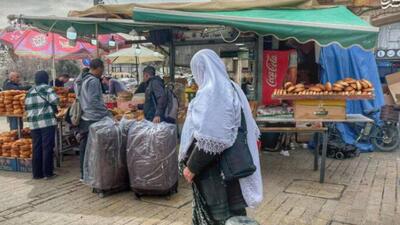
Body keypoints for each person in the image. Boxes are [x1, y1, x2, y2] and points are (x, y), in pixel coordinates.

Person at [179, 49, 263, 224]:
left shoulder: (213, 91)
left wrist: (192, 167)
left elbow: (213, 138)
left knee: (219, 216)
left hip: (216, 172)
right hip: (231, 168)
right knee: (235, 215)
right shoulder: (231, 87)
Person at [75, 59, 110, 181]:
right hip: (94, 118)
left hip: (84, 117)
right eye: (103, 69)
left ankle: (84, 174)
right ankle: (91, 174)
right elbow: (94, 101)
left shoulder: (81, 80)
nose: (103, 72)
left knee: (85, 147)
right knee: (93, 148)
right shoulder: (94, 81)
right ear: (98, 68)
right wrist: (107, 113)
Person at [25, 71, 59, 180]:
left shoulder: (30, 91)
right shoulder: (47, 88)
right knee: (47, 147)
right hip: (47, 122)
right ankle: (48, 173)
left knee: (36, 147)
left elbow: (26, 107)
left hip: (34, 123)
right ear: (46, 78)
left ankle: (37, 174)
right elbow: (55, 100)